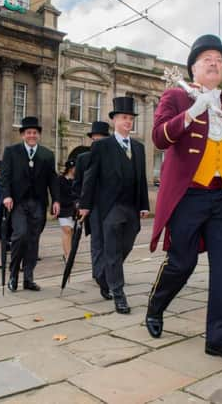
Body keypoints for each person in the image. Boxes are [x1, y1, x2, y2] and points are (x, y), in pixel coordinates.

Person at [145, 34, 222, 365]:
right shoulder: (176, 97)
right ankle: (156, 306)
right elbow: (159, 138)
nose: (214, 63)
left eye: (219, 60)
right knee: (183, 262)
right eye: (207, 58)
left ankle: (218, 339)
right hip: (188, 195)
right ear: (193, 67)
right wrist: (192, 111)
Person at [79, 96, 150, 314]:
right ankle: (118, 294)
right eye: (123, 118)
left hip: (131, 207)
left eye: (130, 118)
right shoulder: (102, 146)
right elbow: (90, 177)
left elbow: (141, 178)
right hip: (109, 207)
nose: (127, 122)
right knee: (111, 250)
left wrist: (144, 205)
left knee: (125, 247)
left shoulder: (138, 148)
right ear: (115, 120)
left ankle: (102, 275)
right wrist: (85, 204)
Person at [1, 116, 60, 292]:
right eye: (28, 133)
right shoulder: (11, 151)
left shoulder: (47, 155)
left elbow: (53, 179)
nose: (32, 135)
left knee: (33, 240)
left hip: (38, 204)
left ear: (39, 135)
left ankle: (28, 278)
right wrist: (7, 196)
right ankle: (13, 275)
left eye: (35, 133)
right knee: (20, 235)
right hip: (18, 203)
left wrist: (56, 200)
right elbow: (5, 177)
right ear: (22, 135)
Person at [73, 121, 112, 300]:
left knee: (112, 244)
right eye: (94, 140)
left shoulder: (114, 157)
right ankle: (100, 277)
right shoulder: (84, 159)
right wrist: (80, 204)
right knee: (97, 242)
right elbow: (77, 185)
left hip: (112, 206)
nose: (97, 142)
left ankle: (108, 272)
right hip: (93, 207)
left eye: (101, 139)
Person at [58, 159, 77, 262]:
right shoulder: (60, 179)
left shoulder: (77, 180)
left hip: (74, 210)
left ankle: (68, 251)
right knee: (67, 231)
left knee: (72, 233)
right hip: (64, 209)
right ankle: (68, 255)